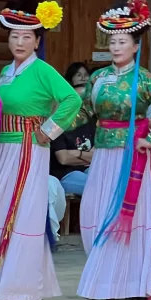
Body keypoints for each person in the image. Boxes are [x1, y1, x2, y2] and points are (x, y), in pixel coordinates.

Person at [76, 0, 151, 300]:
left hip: (132, 155)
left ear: (135, 46)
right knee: (94, 210)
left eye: (122, 42)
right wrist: (50, 122)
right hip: (103, 154)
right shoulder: (98, 77)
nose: (116, 47)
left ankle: (130, 283)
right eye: (112, 42)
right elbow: (83, 113)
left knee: (128, 218)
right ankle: (103, 282)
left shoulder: (144, 79)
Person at [0, 0, 80, 300]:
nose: (19, 41)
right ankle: (5, 285)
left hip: (29, 148)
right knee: (2, 212)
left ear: (37, 41)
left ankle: (23, 292)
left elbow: (72, 99)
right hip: (4, 147)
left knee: (22, 214)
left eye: (26, 37)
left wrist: (48, 130)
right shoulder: (6, 71)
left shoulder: (43, 71)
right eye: (14, 36)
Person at [50, 62, 95, 198]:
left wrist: (75, 154)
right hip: (64, 175)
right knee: (98, 188)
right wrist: (85, 155)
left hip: (86, 169)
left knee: (112, 181)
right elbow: (63, 159)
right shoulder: (57, 124)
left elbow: (97, 156)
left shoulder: (90, 122)